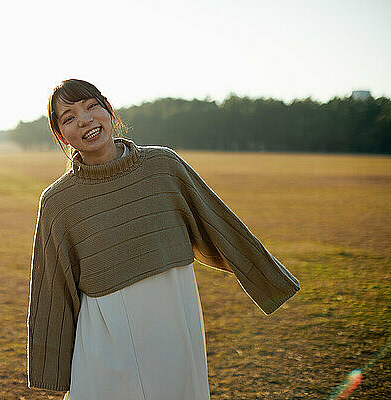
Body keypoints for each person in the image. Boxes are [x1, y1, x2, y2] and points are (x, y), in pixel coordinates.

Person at [27, 79, 300, 400]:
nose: (84, 120)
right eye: (68, 117)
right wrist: (52, 367)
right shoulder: (58, 201)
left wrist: (267, 278)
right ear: (61, 135)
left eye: (90, 107)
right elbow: (52, 285)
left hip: (173, 317)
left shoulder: (163, 166)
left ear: (108, 111)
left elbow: (218, 222)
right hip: (104, 332)